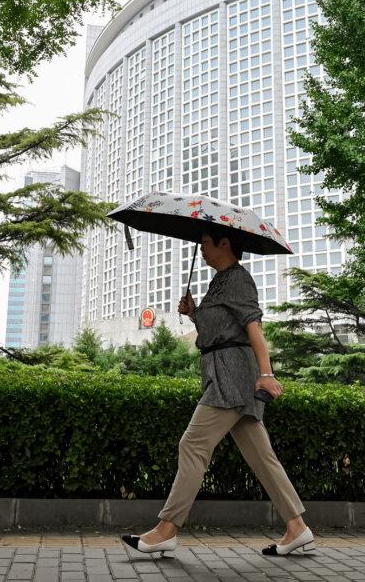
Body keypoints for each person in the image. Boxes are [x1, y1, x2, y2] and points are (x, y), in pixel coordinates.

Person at [121, 222, 314, 557]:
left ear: (225, 243)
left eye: (206, 242)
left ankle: (167, 529)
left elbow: (253, 327)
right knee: (261, 456)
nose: (202, 248)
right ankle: (297, 527)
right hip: (222, 371)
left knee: (192, 444)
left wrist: (266, 373)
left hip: (232, 376)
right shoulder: (220, 281)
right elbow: (221, 330)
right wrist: (196, 314)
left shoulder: (237, 278)